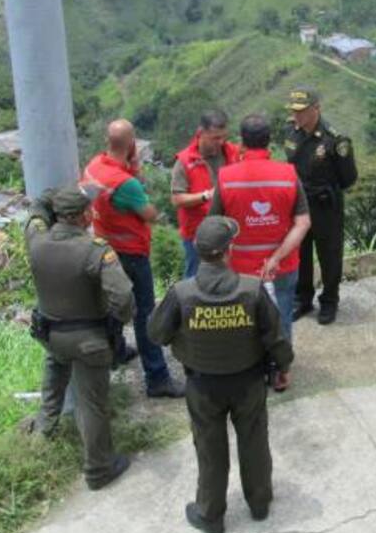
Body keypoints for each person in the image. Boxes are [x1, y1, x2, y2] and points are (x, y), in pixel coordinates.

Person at [149, 216, 294, 533]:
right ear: (229, 250)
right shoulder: (252, 289)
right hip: (249, 382)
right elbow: (276, 337)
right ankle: (259, 504)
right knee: (254, 442)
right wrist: (283, 367)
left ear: (199, 252)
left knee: (210, 449)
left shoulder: (181, 293)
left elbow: (156, 333)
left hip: (202, 385)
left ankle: (211, 516)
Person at [23, 186, 134, 490]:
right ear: (85, 216)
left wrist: (58, 194)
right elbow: (123, 296)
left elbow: (36, 207)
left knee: (54, 372)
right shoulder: (95, 250)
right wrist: (117, 320)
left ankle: (43, 430)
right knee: (91, 403)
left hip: (51, 335)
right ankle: (99, 468)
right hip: (90, 340)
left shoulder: (36, 240)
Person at [82, 119, 185, 398]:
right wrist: (135, 170)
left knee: (116, 302)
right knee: (144, 312)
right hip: (131, 254)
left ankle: (116, 351)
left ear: (107, 140)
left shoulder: (93, 167)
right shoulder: (126, 184)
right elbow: (149, 214)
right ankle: (157, 377)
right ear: (130, 144)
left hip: (104, 248)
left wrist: (132, 167)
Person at [210, 113, 311, 345]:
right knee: (281, 315)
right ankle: (281, 370)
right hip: (281, 266)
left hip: (239, 267)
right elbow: (303, 222)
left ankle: (250, 367)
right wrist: (276, 258)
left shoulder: (226, 177)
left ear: (242, 143)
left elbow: (214, 226)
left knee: (244, 320)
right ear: (269, 140)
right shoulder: (288, 174)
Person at [283, 88, 358, 325]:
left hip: (325, 206)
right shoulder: (290, 132)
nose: (297, 117)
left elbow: (348, 178)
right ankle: (303, 299)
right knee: (300, 253)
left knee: (329, 255)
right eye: (294, 112)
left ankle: (329, 301)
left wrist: (326, 189)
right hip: (299, 205)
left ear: (316, 109)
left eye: (302, 111)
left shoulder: (335, 140)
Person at [171, 110, 241, 278]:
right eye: (215, 138)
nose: (221, 142)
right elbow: (177, 199)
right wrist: (207, 195)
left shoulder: (233, 152)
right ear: (200, 133)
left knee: (231, 278)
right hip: (198, 234)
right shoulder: (185, 161)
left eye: (223, 137)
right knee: (195, 278)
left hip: (230, 231)